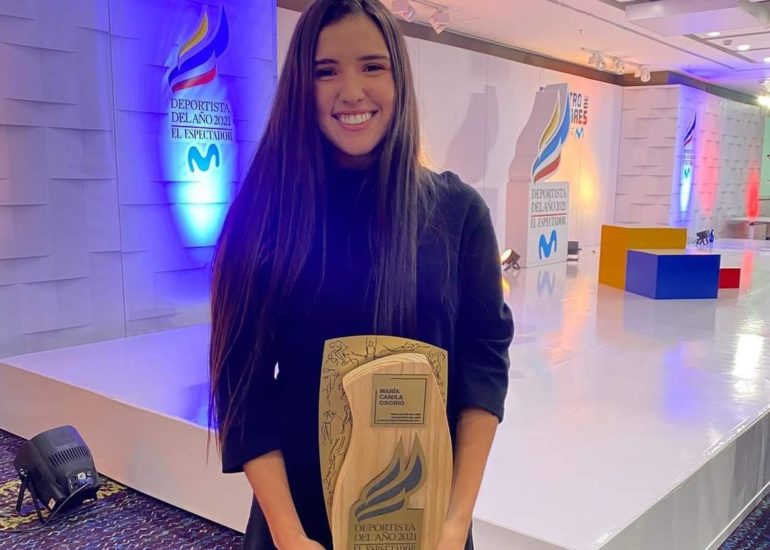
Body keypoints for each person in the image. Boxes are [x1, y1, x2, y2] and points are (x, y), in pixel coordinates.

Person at [208, 0, 514, 548]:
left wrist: (455, 521)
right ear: (301, 87)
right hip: (300, 522)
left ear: (399, 78)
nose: (351, 91)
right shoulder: (266, 215)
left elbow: (483, 365)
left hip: (428, 519)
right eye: (326, 71)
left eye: (372, 66)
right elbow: (242, 385)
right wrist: (288, 533)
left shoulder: (458, 213)